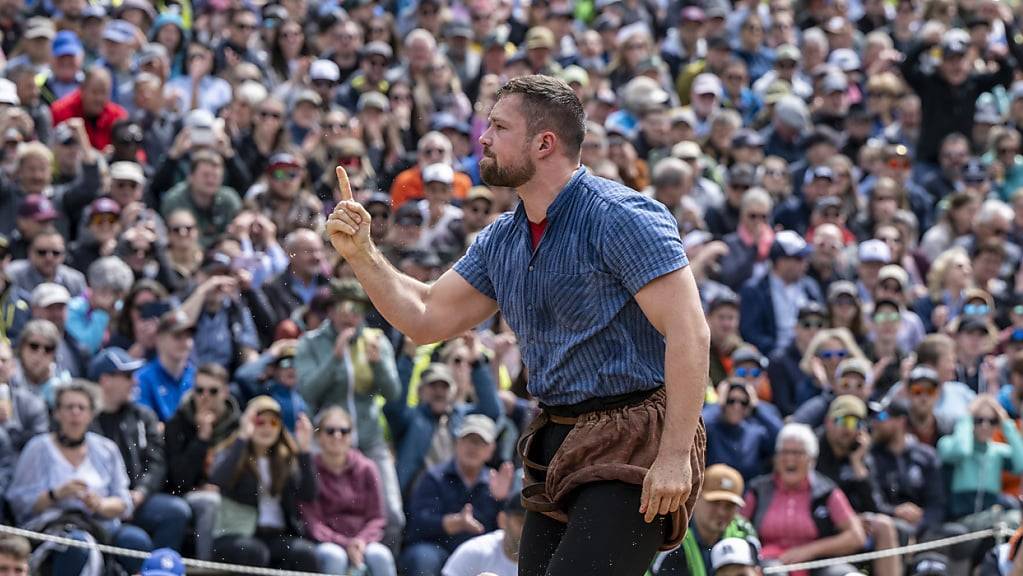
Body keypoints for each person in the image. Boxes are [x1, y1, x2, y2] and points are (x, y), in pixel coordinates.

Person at [328, 73, 707, 576]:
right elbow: (424, 317)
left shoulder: (623, 216)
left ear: (544, 143)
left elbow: (690, 331)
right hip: (556, 438)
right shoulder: (501, 240)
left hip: (635, 439)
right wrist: (362, 255)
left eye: (498, 127)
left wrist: (675, 455)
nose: (482, 139)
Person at [6, 380, 152, 575]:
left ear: (91, 413)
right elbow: (18, 503)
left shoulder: (106, 449)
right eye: (69, 407)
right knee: (76, 546)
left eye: (81, 407)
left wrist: (98, 504)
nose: (75, 413)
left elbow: (123, 502)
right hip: (52, 528)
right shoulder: (38, 447)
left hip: (99, 525)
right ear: (57, 413)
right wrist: (56, 494)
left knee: (136, 541)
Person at [89, 347, 192, 552]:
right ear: (105, 380)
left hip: (136, 499)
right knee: (136, 541)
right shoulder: (85, 418)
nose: (135, 382)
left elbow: (157, 462)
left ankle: (159, 570)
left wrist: (141, 493)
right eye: (127, 376)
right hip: (96, 503)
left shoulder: (143, 416)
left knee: (176, 511)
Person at [209, 395, 320, 571]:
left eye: (273, 422)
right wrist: (243, 437)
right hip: (235, 534)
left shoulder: (286, 459)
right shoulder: (233, 452)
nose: (267, 428)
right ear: (249, 423)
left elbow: (309, 494)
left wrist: (305, 451)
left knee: (305, 553)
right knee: (255, 552)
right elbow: (219, 480)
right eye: (260, 422)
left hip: (276, 535)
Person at [302, 405, 397, 576]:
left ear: (351, 435)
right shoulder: (310, 469)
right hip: (327, 542)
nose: (337, 436)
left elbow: (377, 517)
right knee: (334, 557)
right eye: (330, 431)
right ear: (319, 437)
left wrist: (360, 541)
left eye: (344, 431)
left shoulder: (367, 468)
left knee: (380, 556)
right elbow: (313, 522)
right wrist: (345, 543)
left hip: (364, 542)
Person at [655, 464, 758, 576]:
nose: (722, 512)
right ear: (695, 497)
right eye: (715, 503)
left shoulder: (744, 532)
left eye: (730, 505)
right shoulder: (673, 535)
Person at [442, 490, 526, 576]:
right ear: (503, 520)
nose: (526, 529)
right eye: (521, 521)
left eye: (532, 525)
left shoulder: (539, 559)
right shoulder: (474, 551)